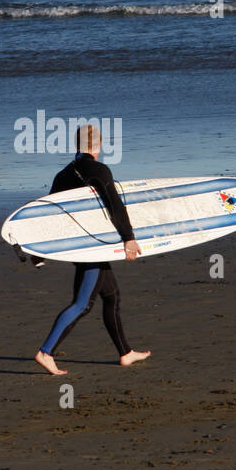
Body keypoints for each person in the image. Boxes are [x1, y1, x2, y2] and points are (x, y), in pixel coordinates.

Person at [35, 124, 150, 375]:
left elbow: (51, 217)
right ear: (98, 146)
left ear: (77, 146)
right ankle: (46, 352)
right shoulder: (98, 170)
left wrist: (40, 250)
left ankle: (126, 353)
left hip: (78, 246)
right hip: (92, 249)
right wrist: (129, 238)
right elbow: (115, 206)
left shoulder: (62, 175)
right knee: (82, 304)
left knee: (111, 296)